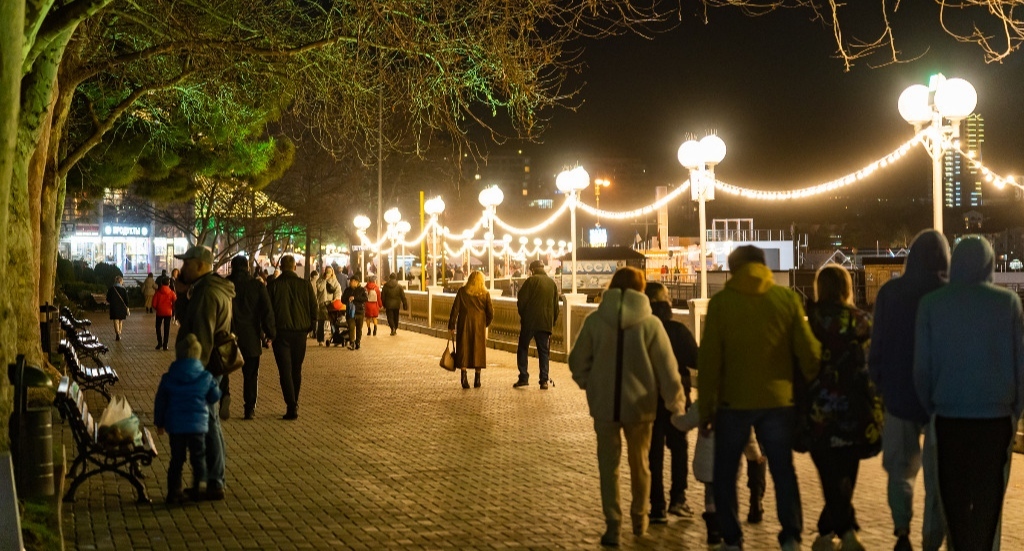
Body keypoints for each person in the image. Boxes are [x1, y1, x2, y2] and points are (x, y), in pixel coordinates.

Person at [697, 245, 821, 551]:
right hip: (779, 403)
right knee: (783, 471)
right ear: (763, 266)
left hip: (732, 404)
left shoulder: (721, 303)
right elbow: (810, 356)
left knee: (725, 474)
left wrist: (706, 410)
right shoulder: (787, 299)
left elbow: (709, 361)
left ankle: (732, 538)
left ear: (733, 268)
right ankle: (790, 536)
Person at [914, 236, 1024, 551]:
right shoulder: (1008, 303)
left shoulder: (932, 304)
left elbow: (922, 369)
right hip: (996, 419)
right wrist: (1014, 411)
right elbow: (1020, 364)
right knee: (989, 502)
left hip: (950, 418)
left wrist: (931, 406)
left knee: (955, 500)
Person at [568, 267, 688, 547]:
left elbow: (576, 362)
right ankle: (639, 520)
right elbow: (668, 371)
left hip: (604, 407)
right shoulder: (651, 325)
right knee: (641, 466)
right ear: (641, 289)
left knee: (608, 468)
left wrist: (591, 384)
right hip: (641, 407)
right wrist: (676, 404)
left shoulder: (596, 320)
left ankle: (613, 525)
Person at [868, 229, 949, 551]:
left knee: (899, 468)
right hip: (940, 401)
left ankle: (902, 531)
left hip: (898, 395)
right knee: (938, 479)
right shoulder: (948, 295)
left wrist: (879, 382)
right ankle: (932, 539)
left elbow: (878, 345)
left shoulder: (890, 293)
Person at [803, 265, 882, 551]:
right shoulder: (863, 322)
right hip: (856, 412)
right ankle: (841, 533)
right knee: (846, 476)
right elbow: (873, 367)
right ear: (848, 288)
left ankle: (834, 534)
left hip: (818, 413)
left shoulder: (809, 323)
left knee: (830, 476)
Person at [174, 245, 235, 500]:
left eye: (187, 263)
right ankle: (213, 479)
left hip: (205, 368)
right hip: (210, 367)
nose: (183, 268)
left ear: (200, 265)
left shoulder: (207, 293)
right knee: (210, 421)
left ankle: (214, 481)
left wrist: (193, 373)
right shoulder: (207, 290)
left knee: (208, 423)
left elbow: (201, 336)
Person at [643, 281, 698, 523]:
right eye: (666, 296)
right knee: (678, 447)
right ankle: (678, 499)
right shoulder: (677, 330)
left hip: (647, 397)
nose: (669, 299)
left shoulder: (640, 329)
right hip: (676, 396)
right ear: (662, 302)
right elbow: (696, 360)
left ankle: (656, 506)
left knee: (653, 452)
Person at [153, 334, 221, 505]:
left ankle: (174, 492)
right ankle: (199, 488)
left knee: (177, 459)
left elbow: (160, 402)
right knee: (198, 457)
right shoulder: (205, 377)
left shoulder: (168, 377)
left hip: (176, 427)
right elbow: (214, 397)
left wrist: (159, 423)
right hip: (198, 427)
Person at [227, 255, 276, 421]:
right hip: (250, 336)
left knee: (222, 369)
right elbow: (266, 310)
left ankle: (224, 395)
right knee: (250, 375)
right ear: (247, 267)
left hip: (227, 335)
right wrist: (270, 333)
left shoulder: (225, 285)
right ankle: (249, 408)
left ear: (232, 267)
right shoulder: (256, 285)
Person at [268, 255, 317, 420]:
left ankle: (291, 405)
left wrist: (269, 331)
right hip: (300, 332)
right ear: (295, 267)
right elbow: (313, 306)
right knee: (297, 369)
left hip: (281, 333)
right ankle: (295, 401)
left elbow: (268, 311)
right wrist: (311, 325)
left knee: (285, 371)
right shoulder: (305, 285)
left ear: (281, 267)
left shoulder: (273, 285)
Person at [514, 260, 561, 389]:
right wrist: (552, 321)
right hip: (545, 323)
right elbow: (556, 307)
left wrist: (524, 315)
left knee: (523, 348)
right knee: (544, 352)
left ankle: (524, 377)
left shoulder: (530, 281)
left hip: (529, 322)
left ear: (533, 270)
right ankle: (544, 380)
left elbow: (521, 300)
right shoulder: (552, 283)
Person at [448, 271, 493, 389]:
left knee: (464, 349)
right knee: (478, 351)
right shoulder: (485, 294)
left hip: (464, 324)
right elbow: (490, 313)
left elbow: (455, 310)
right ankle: (477, 379)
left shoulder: (462, 292)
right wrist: (484, 323)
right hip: (479, 326)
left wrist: (451, 326)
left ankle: (464, 378)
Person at [315, 267, 342, 346]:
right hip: (322, 304)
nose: (328, 273)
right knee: (320, 322)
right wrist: (324, 280)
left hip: (331, 305)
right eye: (327, 271)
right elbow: (319, 288)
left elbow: (338, 292)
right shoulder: (320, 280)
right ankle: (320, 339)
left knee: (333, 322)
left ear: (332, 272)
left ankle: (335, 339)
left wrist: (336, 299)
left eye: (329, 271)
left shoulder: (335, 282)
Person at [342, 275, 368, 350]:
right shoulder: (347, 290)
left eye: (352, 281)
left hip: (359, 312)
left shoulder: (362, 290)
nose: (350, 283)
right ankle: (352, 343)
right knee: (351, 327)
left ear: (356, 282)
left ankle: (358, 342)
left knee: (359, 329)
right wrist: (348, 299)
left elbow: (365, 298)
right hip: (350, 312)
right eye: (350, 281)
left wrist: (355, 298)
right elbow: (342, 300)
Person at [152, 278, 177, 350]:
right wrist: (172, 309)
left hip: (159, 312)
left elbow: (154, 304)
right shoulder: (172, 293)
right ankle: (165, 344)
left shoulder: (158, 292)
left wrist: (158, 308)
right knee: (167, 329)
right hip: (168, 312)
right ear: (169, 284)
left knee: (158, 327)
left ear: (162, 283)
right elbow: (175, 303)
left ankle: (159, 343)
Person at [106, 275, 129, 341]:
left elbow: (108, 298)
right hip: (121, 307)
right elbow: (126, 300)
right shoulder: (123, 289)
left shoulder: (111, 289)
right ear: (120, 281)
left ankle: (117, 334)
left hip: (114, 307)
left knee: (115, 321)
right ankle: (119, 333)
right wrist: (127, 306)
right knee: (120, 320)